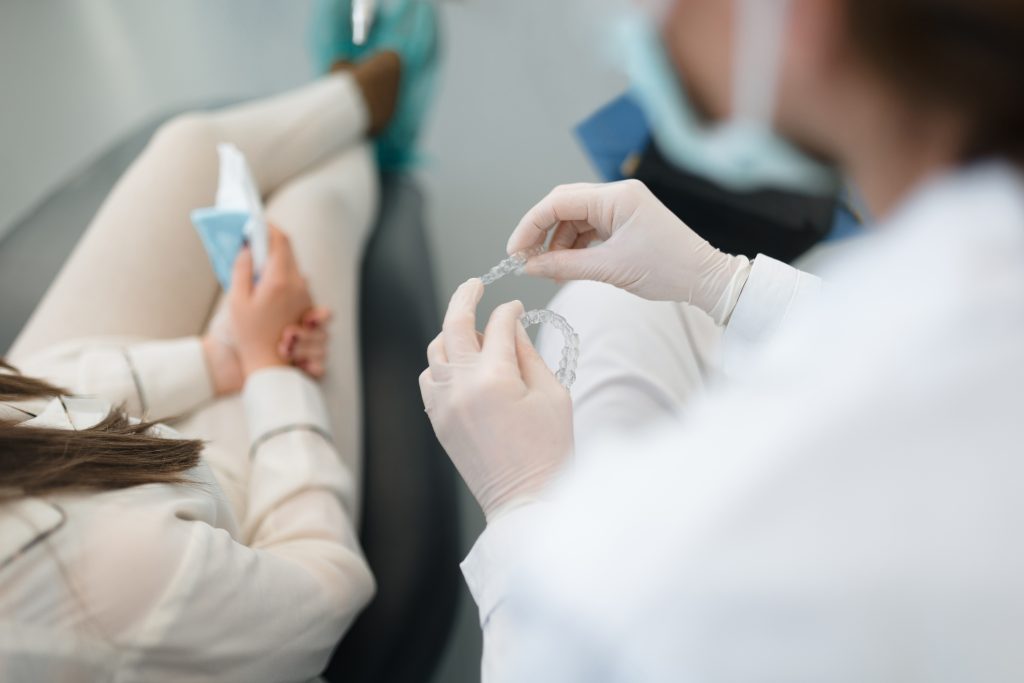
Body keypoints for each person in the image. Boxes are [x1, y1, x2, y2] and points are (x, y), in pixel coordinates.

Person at [419, 0, 1024, 679]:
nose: (636, 33)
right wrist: (722, 282)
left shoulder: (717, 543)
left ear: (801, 17)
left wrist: (523, 505)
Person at [0, 0, 438, 678]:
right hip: (214, 523)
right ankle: (372, 112)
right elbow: (324, 590)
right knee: (305, 207)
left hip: (92, 454)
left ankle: (356, 93)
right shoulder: (87, 585)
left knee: (192, 145)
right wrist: (271, 371)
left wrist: (217, 359)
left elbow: (34, 392)